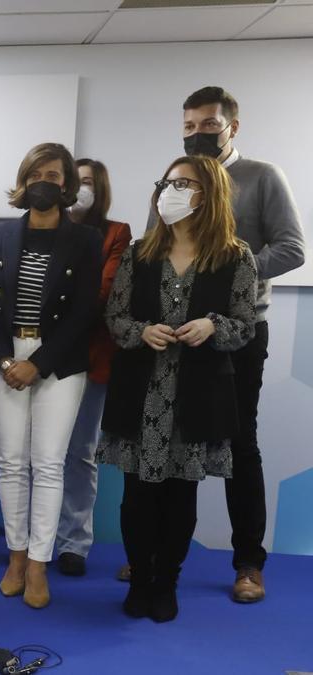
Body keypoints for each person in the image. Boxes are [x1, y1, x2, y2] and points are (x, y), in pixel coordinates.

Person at [117, 86, 305, 602]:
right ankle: (148, 558)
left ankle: (248, 562)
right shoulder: (175, 179)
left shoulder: (263, 177)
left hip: (235, 334)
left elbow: (292, 247)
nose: (198, 132)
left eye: (208, 124)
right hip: (170, 340)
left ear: (231, 127)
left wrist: (225, 276)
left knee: (237, 442)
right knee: (162, 446)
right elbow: (156, 247)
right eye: (189, 124)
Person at [99, 155, 258, 622]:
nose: (170, 191)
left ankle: (167, 582)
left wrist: (212, 326)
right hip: (140, 390)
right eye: (166, 183)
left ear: (207, 194)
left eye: (182, 184)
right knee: (137, 495)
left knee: (179, 495)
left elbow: (245, 324)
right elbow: (116, 317)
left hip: (196, 392)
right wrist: (140, 332)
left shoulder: (236, 255)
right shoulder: (139, 252)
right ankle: (141, 580)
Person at [0, 142, 102, 609]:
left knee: (48, 465)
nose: (45, 180)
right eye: (37, 172)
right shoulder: (0, 234)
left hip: (58, 365)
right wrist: (7, 361)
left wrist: (37, 363)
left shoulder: (86, 240)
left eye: (55, 173)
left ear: (66, 183)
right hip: (4, 362)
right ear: (24, 180)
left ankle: (40, 565)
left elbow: (86, 311)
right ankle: (16, 557)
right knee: (11, 463)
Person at [51, 158, 132, 577]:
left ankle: (74, 543)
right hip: (39, 357)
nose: (79, 190)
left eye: (87, 183)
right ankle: (36, 539)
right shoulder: (42, 225)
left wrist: (56, 309)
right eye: (73, 182)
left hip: (91, 356)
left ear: (99, 189)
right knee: (40, 455)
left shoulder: (116, 233)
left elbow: (104, 289)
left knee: (80, 453)